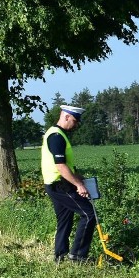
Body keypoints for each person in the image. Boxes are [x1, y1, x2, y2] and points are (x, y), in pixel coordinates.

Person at [41, 105, 96, 263]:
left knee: (65, 219)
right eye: (74, 121)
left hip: (55, 184)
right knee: (89, 214)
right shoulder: (56, 136)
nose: (76, 124)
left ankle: (60, 256)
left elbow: (65, 165)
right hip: (60, 185)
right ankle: (78, 255)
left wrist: (78, 178)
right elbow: (60, 166)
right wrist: (78, 185)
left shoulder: (57, 134)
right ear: (66, 117)